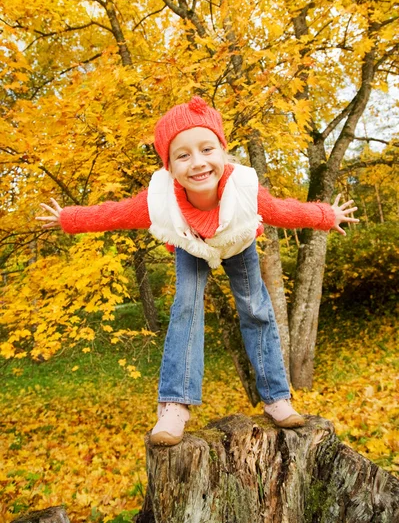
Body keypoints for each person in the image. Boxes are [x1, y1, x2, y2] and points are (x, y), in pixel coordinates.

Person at [37, 96, 358, 447]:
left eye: (207, 149)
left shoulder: (244, 189)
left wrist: (328, 215)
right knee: (186, 307)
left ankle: (277, 397)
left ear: (222, 151)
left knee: (256, 309)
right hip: (191, 246)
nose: (198, 163)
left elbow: (285, 210)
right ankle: (174, 406)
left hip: (237, 242)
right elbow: (113, 214)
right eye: (183, 155)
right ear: (169, 166)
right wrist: (68, 218)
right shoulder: (160, 198)